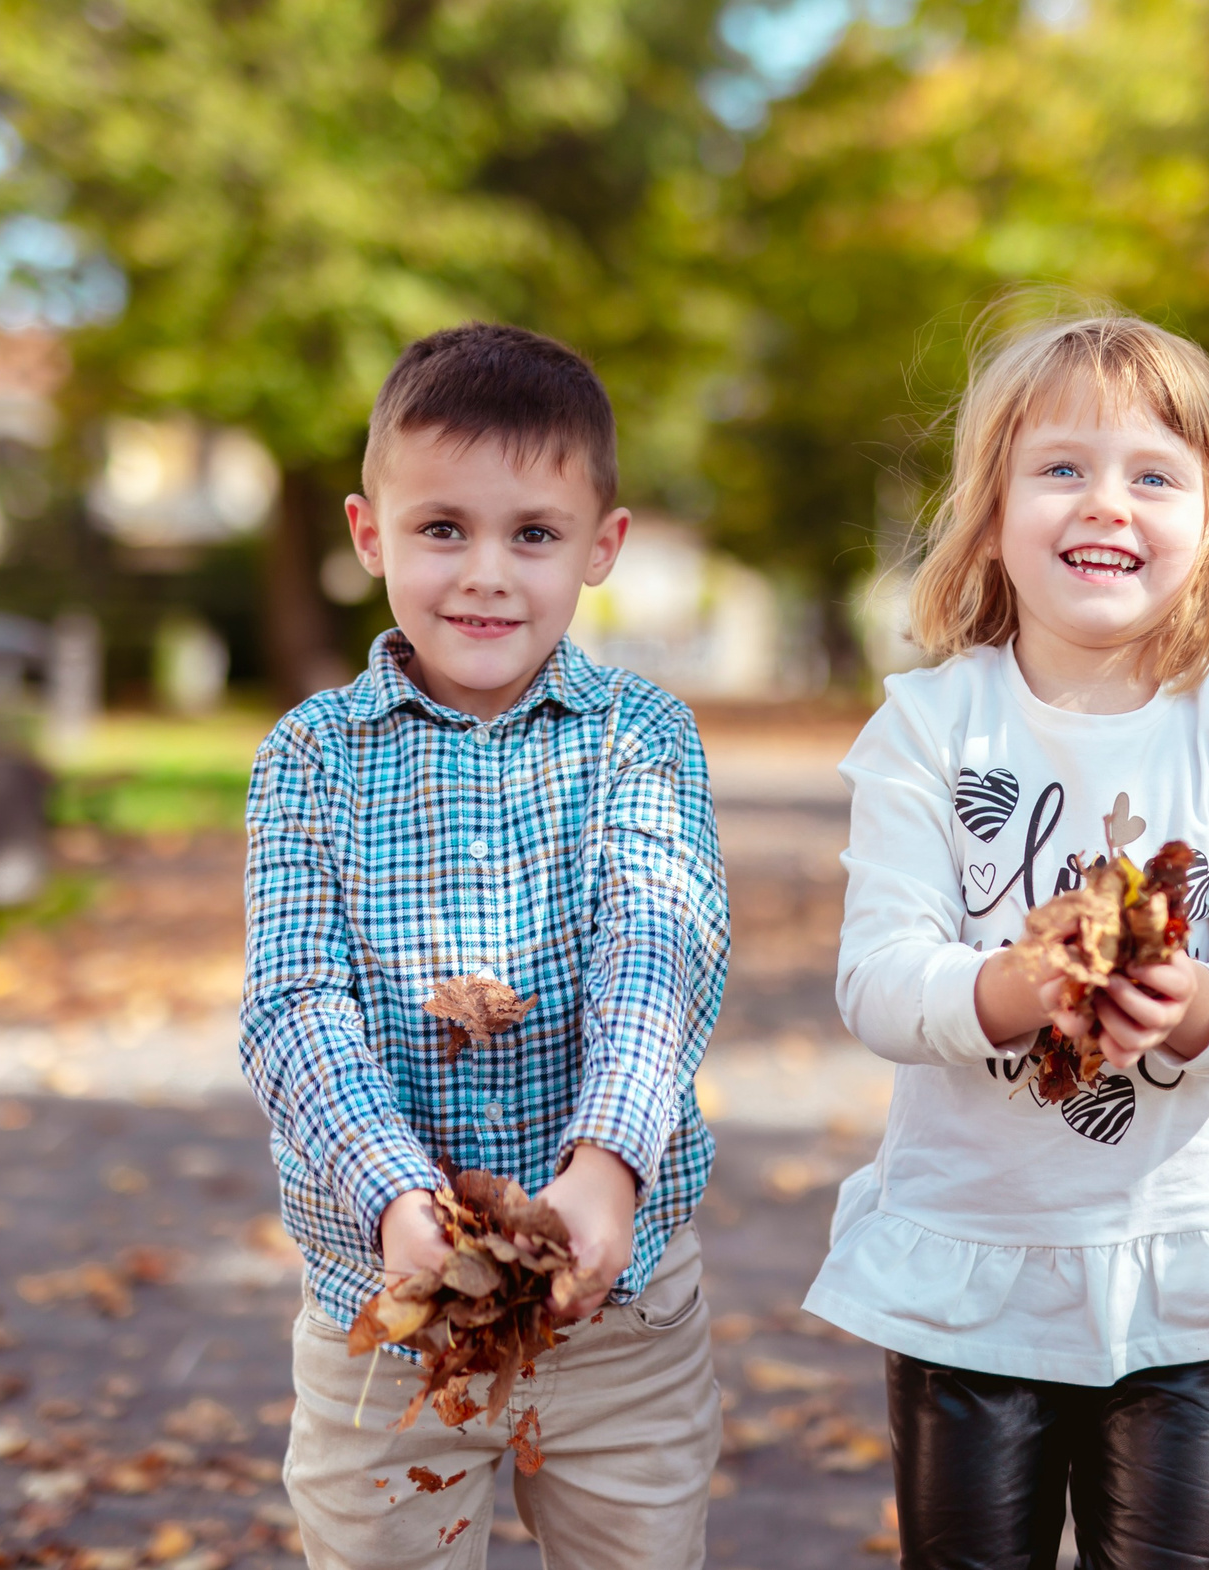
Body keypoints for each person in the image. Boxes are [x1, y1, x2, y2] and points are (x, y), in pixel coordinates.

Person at [805, 308, 1209, 1569]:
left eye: (1153, 474)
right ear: (992, 513)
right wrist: (1013, 984)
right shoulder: (928, 729)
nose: (1104, 502)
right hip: (969, 1260)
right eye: (1060, 467)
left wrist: (1187, 1004)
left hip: (1181, 1263)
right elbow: (880, 979)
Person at [239, 322, 729, 1570]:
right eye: (442, 528)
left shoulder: (641, 735)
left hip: (618, 1311)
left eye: (534, 534)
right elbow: (295, 1003)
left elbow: (658, 950)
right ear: (368, 536)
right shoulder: (311, 756)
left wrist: (609, 1164)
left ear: (601, 547)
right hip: (386, 1309)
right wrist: (395, 1197)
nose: (486, 574)